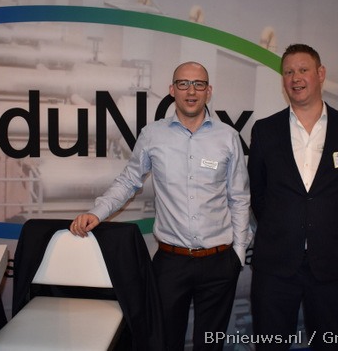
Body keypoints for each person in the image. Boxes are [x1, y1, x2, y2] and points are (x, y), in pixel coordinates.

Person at [71, 61, 252, 351]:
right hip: (171, 263)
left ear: (208, 91)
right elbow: (129, 180)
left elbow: (239, 198)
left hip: (219, 263)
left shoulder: (228, 137)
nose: (191, 91)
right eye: (183, 84)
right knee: (164, 343)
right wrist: (97, 212)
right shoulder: (153, 134)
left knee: (210, 346)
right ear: (172, 90)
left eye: (198, 84)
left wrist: (238, 254)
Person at [248, 44, 338, 350]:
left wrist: (336, 239)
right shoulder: (264, 131)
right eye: (288, 72)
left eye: (303, 70)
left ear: (321, 73)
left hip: (332, 266)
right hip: (276, 267)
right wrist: (285, 228)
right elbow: (259, 195)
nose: (296, 78)